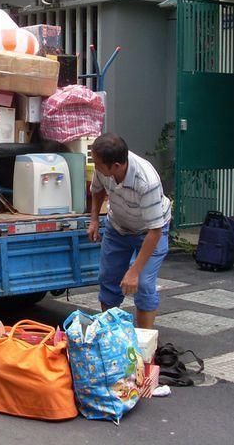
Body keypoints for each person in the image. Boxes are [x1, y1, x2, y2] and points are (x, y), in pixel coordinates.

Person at [87, 133, 171, 329]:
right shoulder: (104, 167)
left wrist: (134, 271)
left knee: (142, 284)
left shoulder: (146, 181)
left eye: (98, 165)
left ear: (116, 165)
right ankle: (111, 336)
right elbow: (97, 190)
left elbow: (155, 231)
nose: (96, 168)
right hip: (117, 227)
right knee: (108, 279)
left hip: (148, 232)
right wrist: (94, 220)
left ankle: (144, 345)